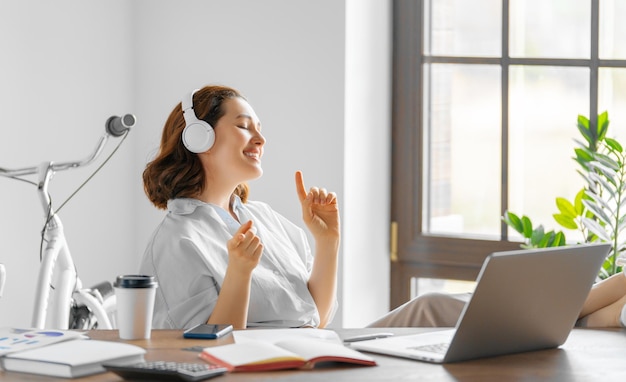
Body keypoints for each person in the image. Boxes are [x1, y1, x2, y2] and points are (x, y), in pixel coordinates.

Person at [140, 84, 626, 330]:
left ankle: (606, 306)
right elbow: (211, 350)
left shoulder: (259, 218)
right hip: (280, 367)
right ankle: (608, 300)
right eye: (245, 126)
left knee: (440, 312)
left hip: (319, 352)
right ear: (199, 137)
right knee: (434, 308)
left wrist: (327, 242)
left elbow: (319, 315)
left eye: (259, 126)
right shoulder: (179, 238)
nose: (261, 138)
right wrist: (239, 276)